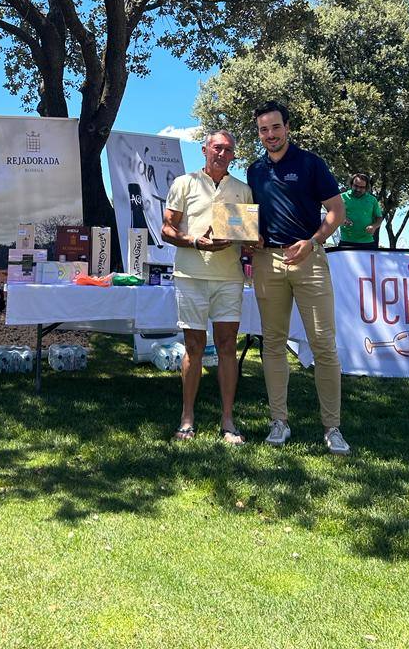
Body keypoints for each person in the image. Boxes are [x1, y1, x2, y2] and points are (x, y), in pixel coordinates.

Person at [246, 101, 350, 455]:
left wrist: (314, 241)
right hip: (266, 262)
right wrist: (252, 236)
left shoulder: (310, 163)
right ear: (258, 133)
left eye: (275, 128)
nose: (270, 135)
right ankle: (279, 421)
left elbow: (337, 211)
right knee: (272, 343)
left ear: (287, 127)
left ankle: (332, 428)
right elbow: (251, 217)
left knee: (323, 344)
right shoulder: (253, 170)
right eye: (263, 130)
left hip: (309, 259)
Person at [162, 130, 257, 444]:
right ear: (204, 149)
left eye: (228, 150)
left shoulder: (243, 190)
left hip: (229, 277)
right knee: (194, 347)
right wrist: (193, 240)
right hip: (190, 276)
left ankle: (228, 420)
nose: (222, 153)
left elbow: (247, 239)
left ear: (234, 155)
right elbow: (167, 228)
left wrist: (248, 244)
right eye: (217, 147)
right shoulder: (184, 183)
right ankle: (187, 417)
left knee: (228, 346)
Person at [339, 173, 383, 248]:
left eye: (362, 187)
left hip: (367, 242)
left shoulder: (372, 200)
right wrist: (342, 219)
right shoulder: (341, 197)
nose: (358, 189)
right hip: (346, 241)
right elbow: (333, 214)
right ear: (351, 184)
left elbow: (379, 218)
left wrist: (374, 226)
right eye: (356, 186)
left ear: (366, 188)